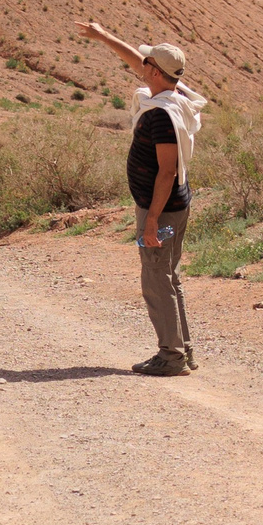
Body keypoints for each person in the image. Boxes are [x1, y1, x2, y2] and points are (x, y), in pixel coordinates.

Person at [77, 20, 207, 376]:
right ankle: (183, 350)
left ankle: (171, 356)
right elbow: (139, 61)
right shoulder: (175, 96)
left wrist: (151, 219)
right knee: (168, 275)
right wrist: (103, 37)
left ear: (154, 71)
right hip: (174, 206)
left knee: (155, 275)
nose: (141, 65)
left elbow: (167, 172)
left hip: (162, 211)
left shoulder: (162, 116)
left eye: (146, 64)